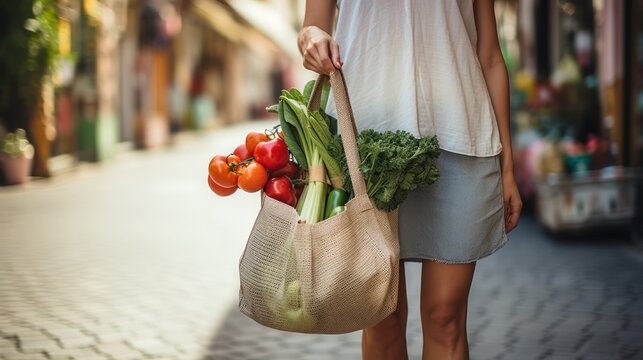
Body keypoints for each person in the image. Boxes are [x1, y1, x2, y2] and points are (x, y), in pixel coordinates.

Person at [297, 1, 523, 359]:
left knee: (445, 317)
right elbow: (312, 26)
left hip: (461, 135)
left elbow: (491, 56)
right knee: (381, 318)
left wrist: (508, 167)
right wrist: (312, 39)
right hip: (365, 145)